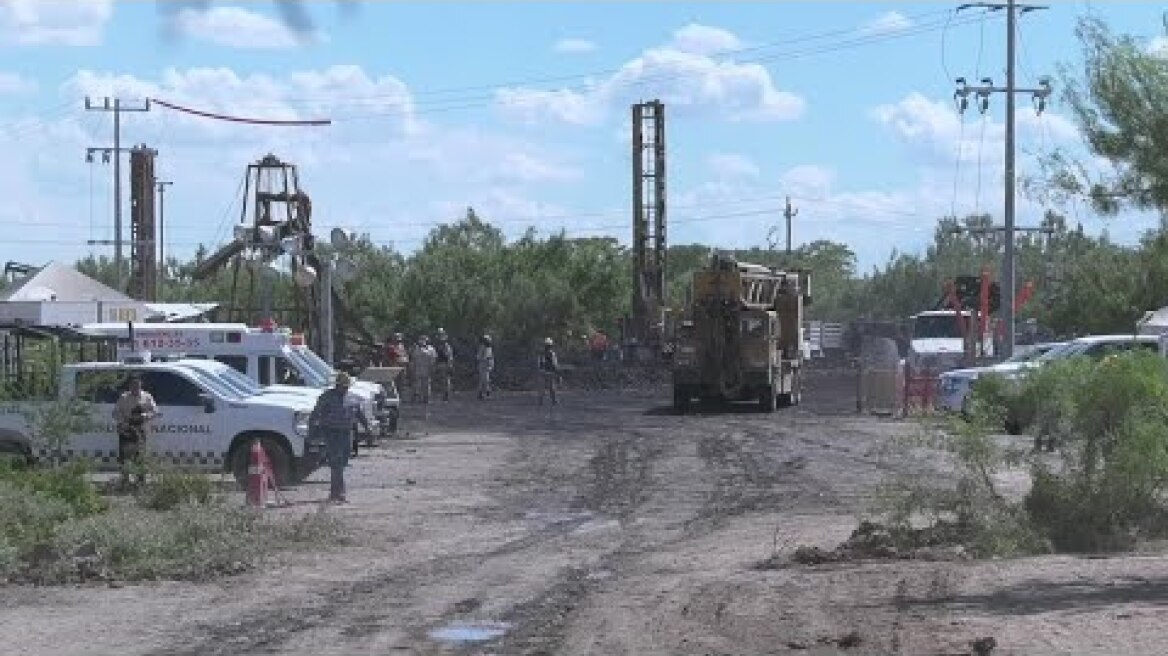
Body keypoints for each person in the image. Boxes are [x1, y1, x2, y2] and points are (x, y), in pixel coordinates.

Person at [309, 372, 371, 504]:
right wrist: (313, 431)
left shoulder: (352, 398)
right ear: (337, 385)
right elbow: (315, 414)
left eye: (346, 387)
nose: (344, 389)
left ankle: (337, 491)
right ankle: (337, 493)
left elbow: (359, 414)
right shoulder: (326, 397)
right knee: (336, 462)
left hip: (346, 433)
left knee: (343, 462)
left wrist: (367, 428)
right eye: (342, 387)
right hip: (331, 433)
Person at [113, 374, 158, 487]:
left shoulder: (147, 397)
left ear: (141, 384)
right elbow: (115, 413)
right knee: (125, 456)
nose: (135, 387)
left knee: (140, 456)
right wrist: (122, 422)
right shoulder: (123, 398)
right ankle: (125, 480)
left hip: (140, 430)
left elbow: (155, 411)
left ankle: (140, 481)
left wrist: (146, 415)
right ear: (129, 385)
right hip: (126, 430)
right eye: (133, 384)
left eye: (137, 384)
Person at [412, 335, 438, 404]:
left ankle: (426, 398)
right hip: (418, 368)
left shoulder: (431, 349)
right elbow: (413, 359)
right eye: (421, 340)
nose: (423, 341)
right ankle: (417, 398)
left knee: (427, 385)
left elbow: (433, 359)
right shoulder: (415, 348)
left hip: (427, 369)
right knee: (417, 384)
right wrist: (412, 368)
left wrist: (432, 368)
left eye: (424, 340)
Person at [434, 328, 455, 402]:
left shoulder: (446, 346)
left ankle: (446, 395)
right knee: (442, 380)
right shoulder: (438, 345)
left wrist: (450, 365)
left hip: (445, 364)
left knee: (446, 380)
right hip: (440, 363)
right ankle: (444, 394)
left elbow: (449, 356)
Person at [537, 337, 560, 406]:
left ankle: (540, 401)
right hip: (549, 372)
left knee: (542, 388)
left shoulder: (541, 353)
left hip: (542, 372)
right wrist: (557, 373)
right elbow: (554, 364)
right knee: (552, 387)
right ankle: (554, 401)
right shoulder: (552, 354)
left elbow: (539, 363)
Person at [476, 334, 495, 400]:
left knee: (485, 379)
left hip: (487, 364)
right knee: (484, 379)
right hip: (483, 364)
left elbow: (491, 357)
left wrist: (491, 364)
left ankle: (482, 393)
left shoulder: (489, 348)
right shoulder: (482, 347)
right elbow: (478, 357)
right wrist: (484, 359)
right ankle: (485, 393)